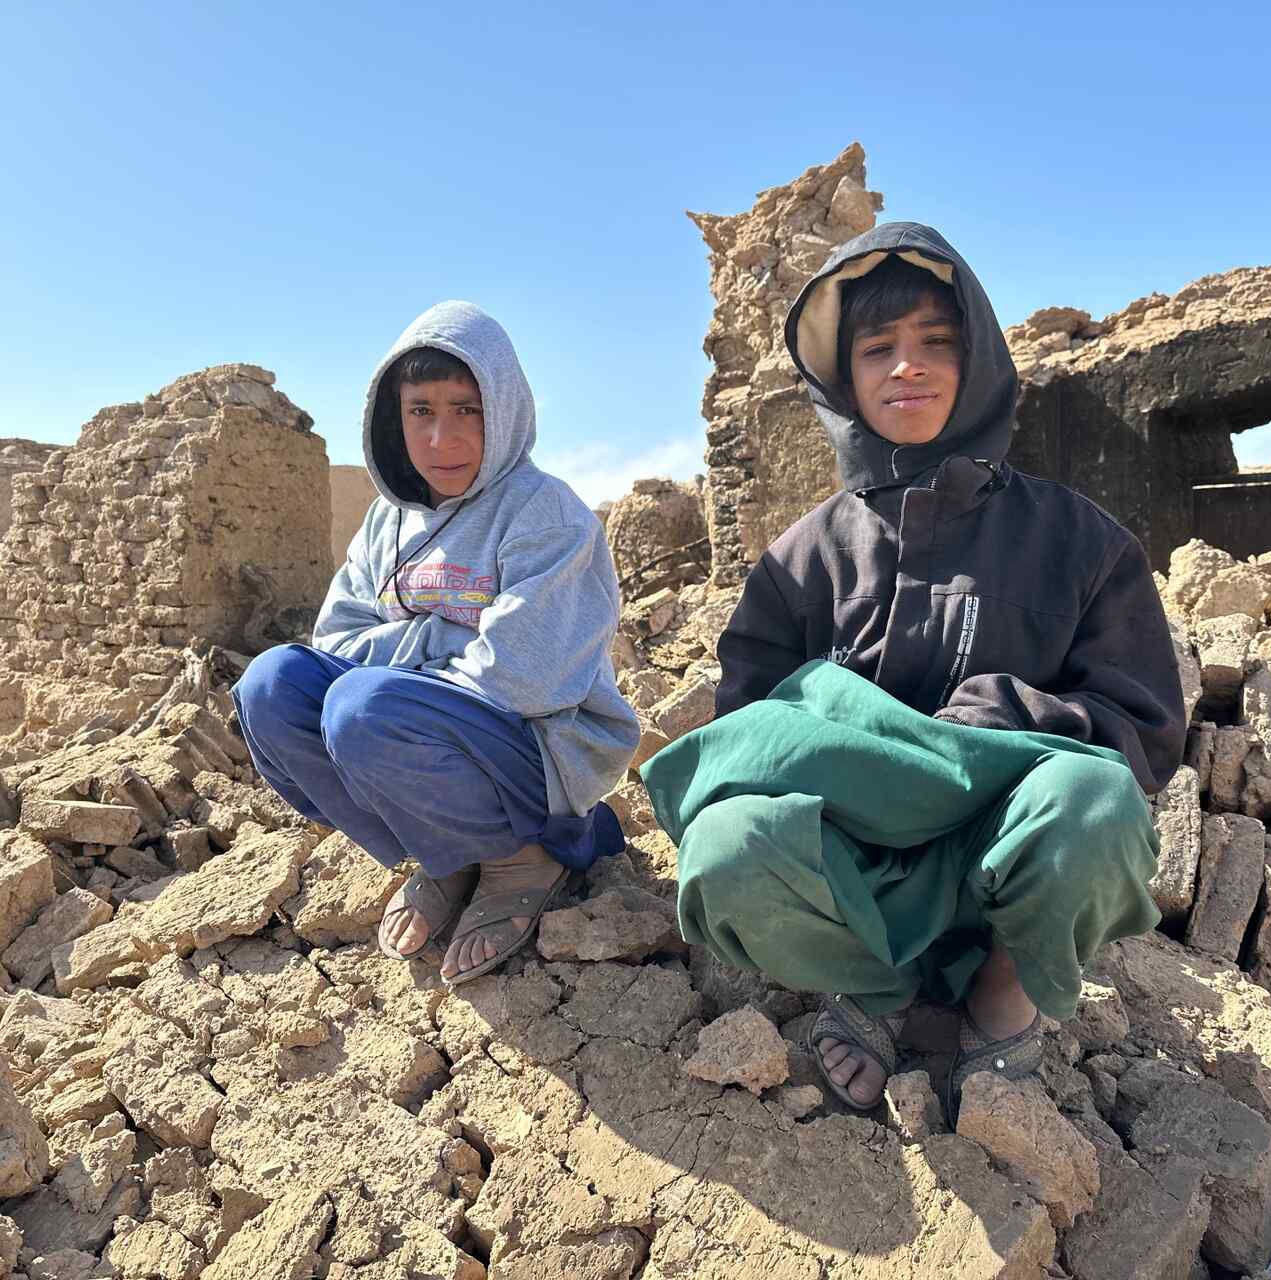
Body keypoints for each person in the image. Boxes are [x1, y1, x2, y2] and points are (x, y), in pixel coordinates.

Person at [640, 223, 1185, 1121]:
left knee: (1096, 805)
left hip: (1007, 857)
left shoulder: (1077, 540)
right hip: (852, 863)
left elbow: (1144, 725)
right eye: (878, 348)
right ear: (841, 378)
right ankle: (877, 984)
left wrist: (1001, 720)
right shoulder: (797, 561)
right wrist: (858, 746)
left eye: (937, 342)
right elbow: (750, 730)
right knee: (728, 847)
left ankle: (1001, 994)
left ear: (978, 357)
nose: (908, 368)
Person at [233, 301, 639, 985]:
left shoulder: (545, 515)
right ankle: (448, 855)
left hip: (541, 748)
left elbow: (523, 675)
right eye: (421, 410)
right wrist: (449, 632)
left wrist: (395, 668)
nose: (441, 438)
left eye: (467, 410)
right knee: (270, 688)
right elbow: (335, 639)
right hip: (431, 727)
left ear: (505, 409)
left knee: (362, 709)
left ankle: (520, 856)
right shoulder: (385, 523)